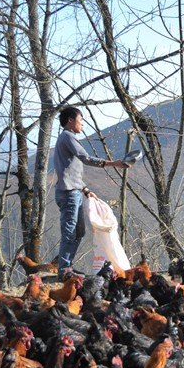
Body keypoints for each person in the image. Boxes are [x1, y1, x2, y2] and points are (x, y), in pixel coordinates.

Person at [54, 106, 129, 274]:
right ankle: (64, 269)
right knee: (70, 232)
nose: (82, 124)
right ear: (70, 120)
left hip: (74, 191)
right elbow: (86, 158)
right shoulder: (68, 137)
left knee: (78, 231)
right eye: (80, 120)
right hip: (69, 193)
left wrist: (86, 190)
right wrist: (114, 163)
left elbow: (69, 171)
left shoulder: (65, 138)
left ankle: (67, 266)